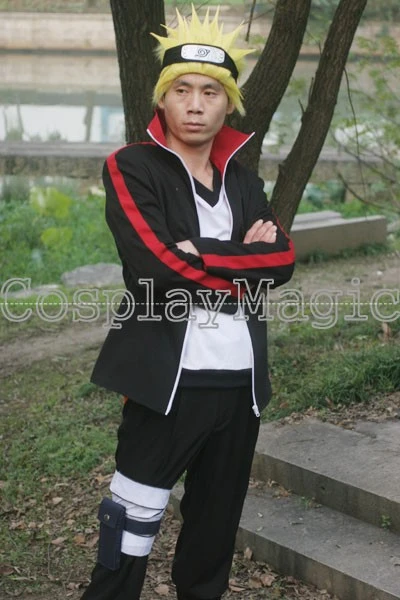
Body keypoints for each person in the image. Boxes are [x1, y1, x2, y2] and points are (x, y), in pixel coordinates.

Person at [81, 6, 295, 600]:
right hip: (166, 380)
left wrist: (201, 250)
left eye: (209, 92)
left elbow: (281, 261)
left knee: (214, 529)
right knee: (130, 522)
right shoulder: (131, 166)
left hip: (240, 382)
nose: (195, 105)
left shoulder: (243, 181)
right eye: (182, 90)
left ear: (228, 105)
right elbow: (157, 268)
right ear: (163, 99)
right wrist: (241, 262)